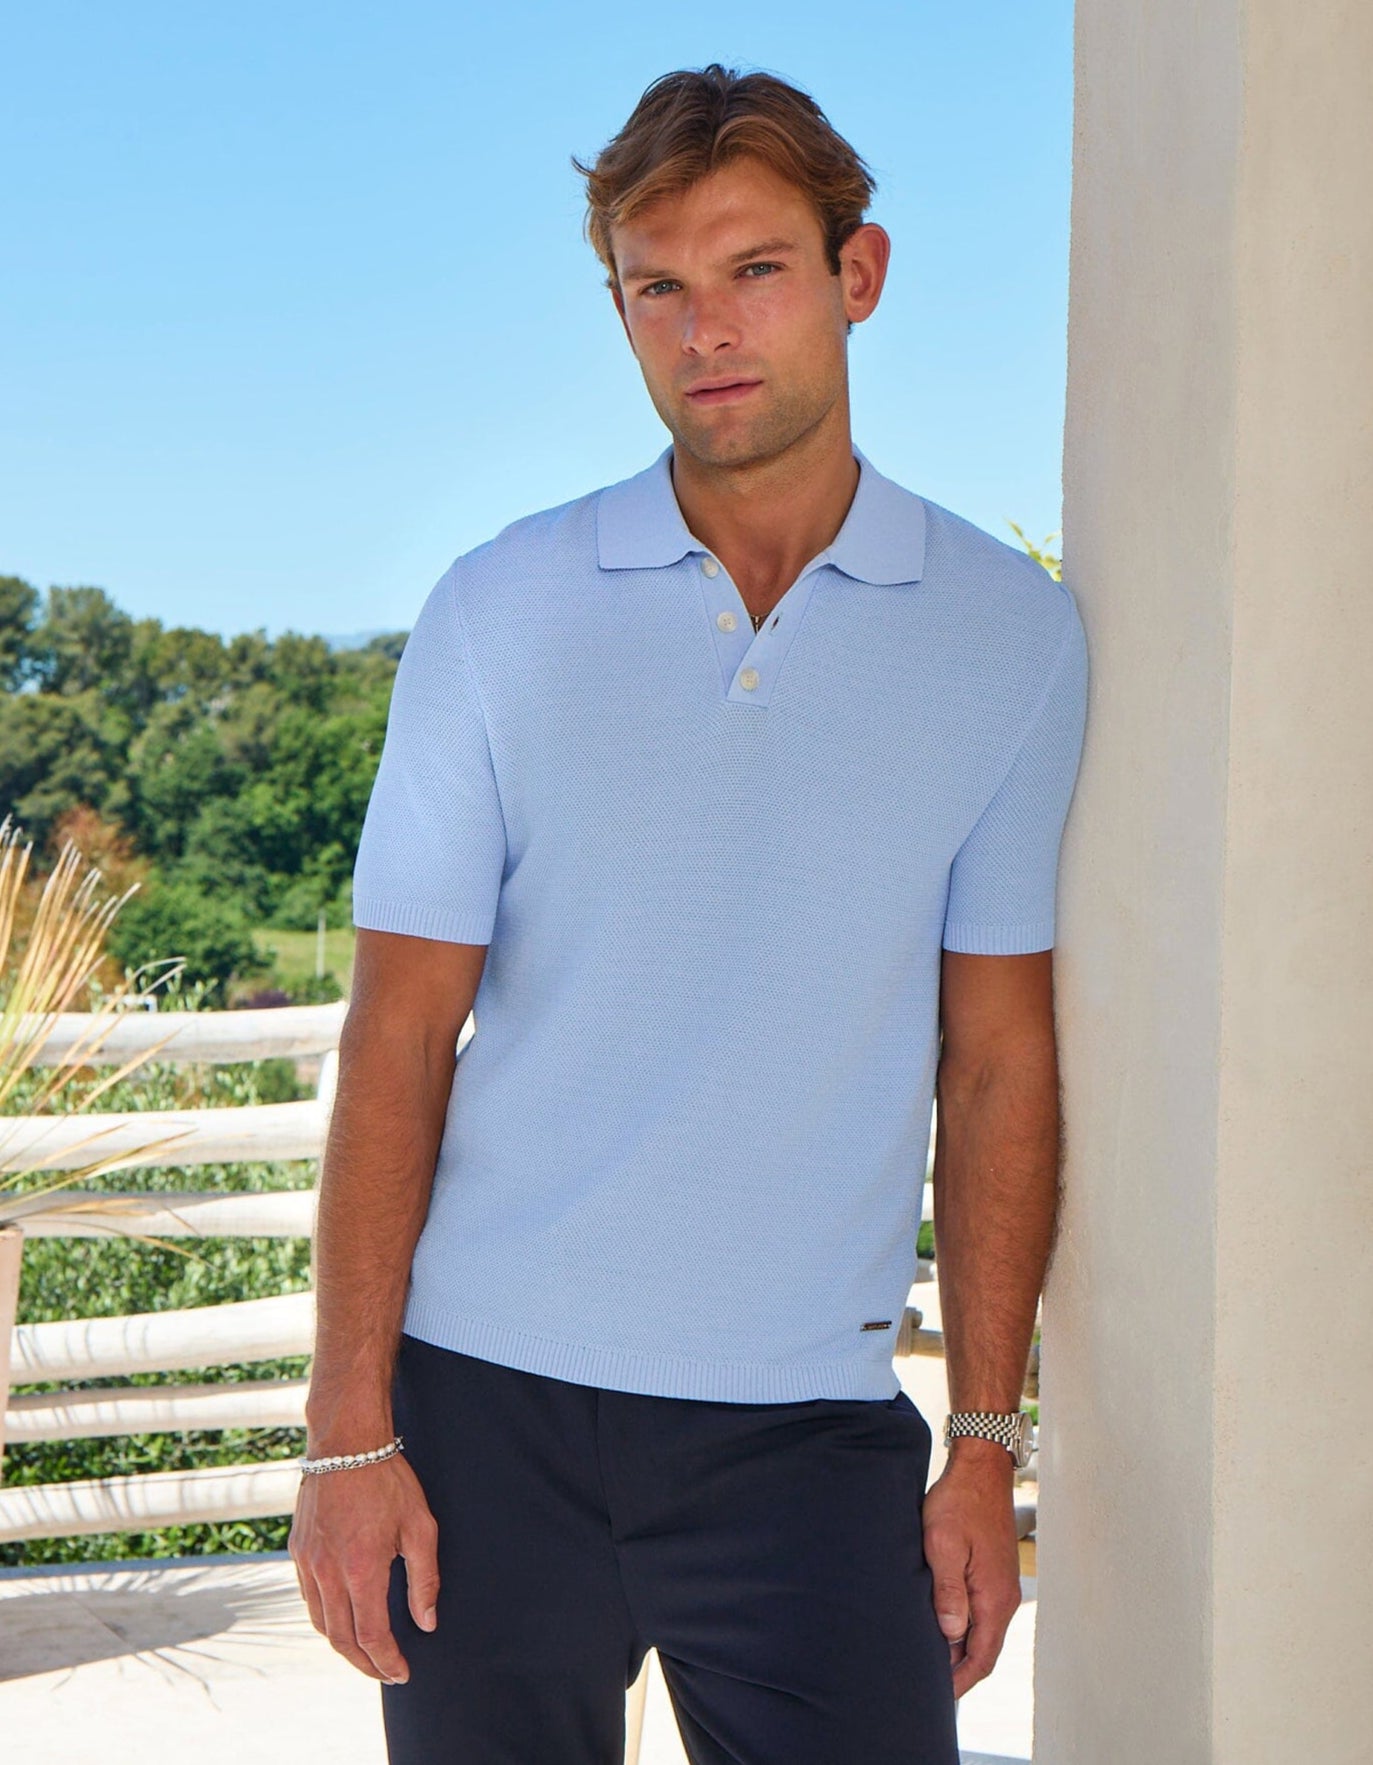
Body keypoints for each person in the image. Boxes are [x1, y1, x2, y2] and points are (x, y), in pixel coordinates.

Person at [289, 61, 1088, 1765]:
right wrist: (348, 1427)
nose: (705, 329)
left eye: (754, 270)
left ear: (857, 274)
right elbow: (400, 1030)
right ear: (618, 311)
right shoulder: (500, 609)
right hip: (481, 1411)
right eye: (656, 287)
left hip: (807, 1430)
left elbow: (997, 1060)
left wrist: (983, 1439)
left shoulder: (1006, 637)